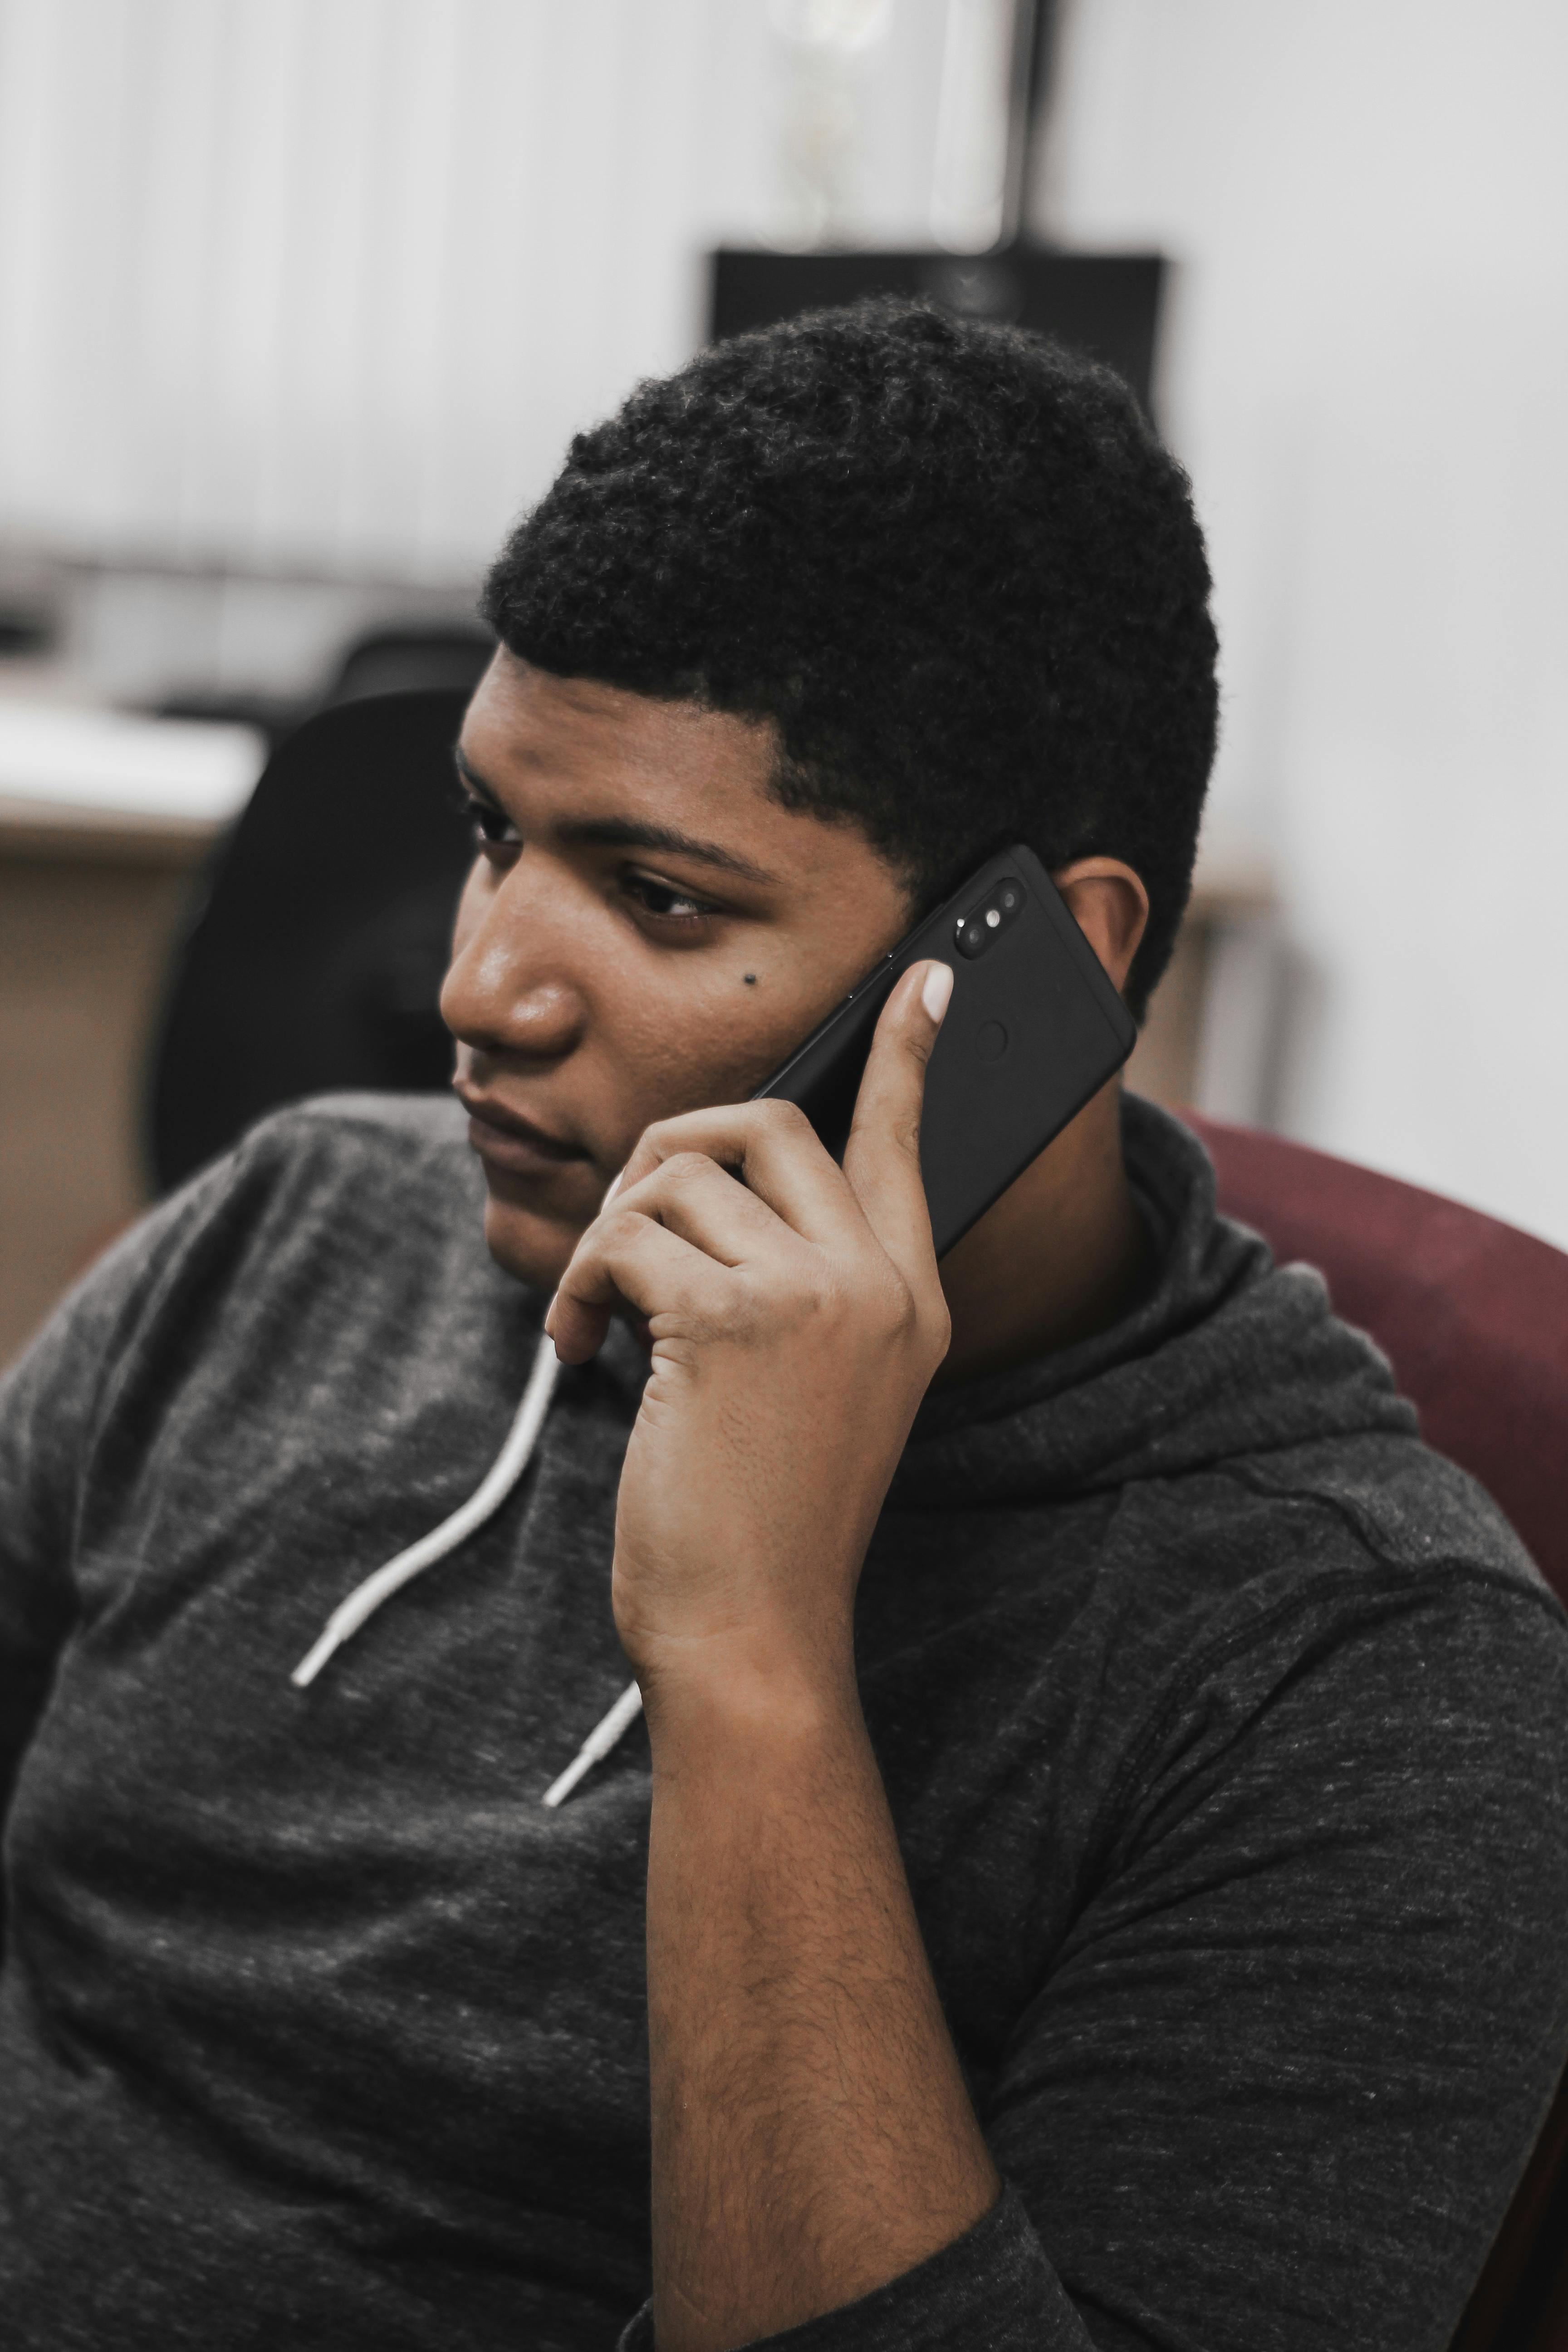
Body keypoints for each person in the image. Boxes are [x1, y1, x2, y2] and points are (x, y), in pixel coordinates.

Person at [1, 299, 1565, 2352]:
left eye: (658, 896)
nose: (478, 988)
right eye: (493, 835)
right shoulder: (293, 1225)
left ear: (1032, 974)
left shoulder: (1354, 1681)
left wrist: (749, 1655)